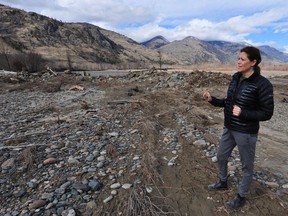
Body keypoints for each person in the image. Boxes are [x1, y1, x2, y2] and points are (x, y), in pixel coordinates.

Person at [203, 46, 274, 209]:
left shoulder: (263, 84)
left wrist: (244, 113)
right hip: (229, 127)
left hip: (246, 132)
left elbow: (267, 113)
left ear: (253, 62)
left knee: (246, 166)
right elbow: (229, 102)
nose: (238, 62)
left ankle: (241, 196)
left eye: (242, 59)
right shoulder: (236, 77)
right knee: (221, 156)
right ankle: (223, 182)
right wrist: (212, 100)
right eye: (238, 58)